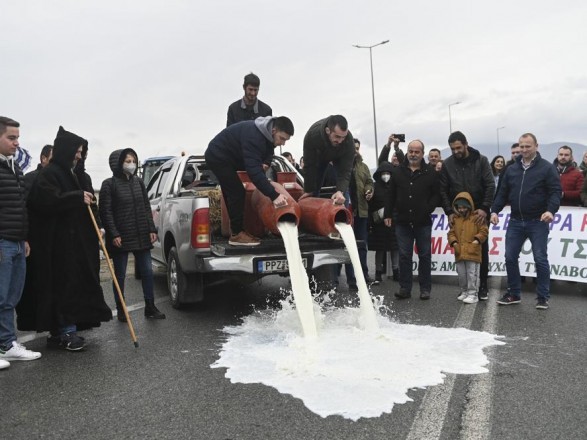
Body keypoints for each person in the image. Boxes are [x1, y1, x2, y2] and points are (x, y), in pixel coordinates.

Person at [17, 126, 112, 351]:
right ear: (67, 151)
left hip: (73, 243)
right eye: (77, 151)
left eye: (81, 152)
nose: (79, 156)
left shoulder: (72, 174)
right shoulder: (50, 174)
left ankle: (62, 330)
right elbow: (47, 201)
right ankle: (66, 332)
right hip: (57, 245)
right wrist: (76, 197)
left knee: (71, 285)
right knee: (63, 286)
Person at [490, 133, 561, 310]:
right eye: (521, 146)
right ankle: (514, 293)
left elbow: (555, 192)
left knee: (540, 258)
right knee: (510, 257)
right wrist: (494, 211)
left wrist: (550, 211)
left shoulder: (546, 168)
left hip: (538, 222)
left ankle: (543, 297)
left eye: (528, 146)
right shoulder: (511, 169)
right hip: (515, 222)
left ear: (536, 146)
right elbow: (502, 193)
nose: (524, 150)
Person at [205, 116, 293, 246]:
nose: (283, 143)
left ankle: (235, 229)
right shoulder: (254, 137)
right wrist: (274, 196)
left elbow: (269, 151)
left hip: (231, 157)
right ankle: (236, 234)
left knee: (232, 191)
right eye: (282, 138)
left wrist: (265, 162)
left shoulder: (267, 135)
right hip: (218, 156)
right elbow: (254, 173)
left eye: (286, 140)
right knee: (237, 192)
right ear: (274, 130)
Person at [99, 148, 165, 322]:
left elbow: (146, 206)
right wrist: (113, 234)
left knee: (147, 272)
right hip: (121, 237)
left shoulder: (138, 182)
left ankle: (150, 307)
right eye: (127, 161)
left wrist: (152, 229)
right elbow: (106, 212)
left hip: (141, 233)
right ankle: (121, 308)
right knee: (119, 275)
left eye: (133, 160)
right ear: (118, 163)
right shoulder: (109, 184)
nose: (131, 164)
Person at [0, 116, 41, 368]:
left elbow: (20, 206)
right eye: (11, 138)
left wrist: (24, 237)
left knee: (10, 298)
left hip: (16, 241)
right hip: (2, 241)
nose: (17, 143)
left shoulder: (15, 168)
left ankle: (7, 344)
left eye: (18, 138)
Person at [439, 131, 494, 300]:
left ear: (465, 144)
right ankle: (466, 288)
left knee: (479, 250)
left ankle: (482, 285)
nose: (456, 151)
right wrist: (449, 211)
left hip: (478, 213)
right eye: (452, 149)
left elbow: (490, 185)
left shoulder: (482, 160)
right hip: (459, 214)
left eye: (458, 147)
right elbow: (442, 190)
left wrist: (484, 208)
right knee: (461, 251)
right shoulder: (447, 164)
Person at [385, 139, 440, 300]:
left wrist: (427, 208)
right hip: (402, 222)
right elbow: (390, 194)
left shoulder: (430, 172)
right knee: (404, 256)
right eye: (411, 151)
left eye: (417, 151)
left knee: (424, 255)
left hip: (422, 222)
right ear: (407, 152)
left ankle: (425, 289)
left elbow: (437, 194)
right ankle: (405, 288)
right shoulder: (398, 171)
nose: (413, 154)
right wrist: (388, 214)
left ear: (423, 153)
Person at [300, 115, 355, 205]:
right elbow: (310, 165)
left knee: (343, 192)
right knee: (314, 188)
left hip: (339, 156)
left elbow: (345, 171)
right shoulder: (312, 136)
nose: (340, 140)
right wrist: (309, 189)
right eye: (337, 136)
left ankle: (342, 214)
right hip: (319, 157)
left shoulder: (348, 141)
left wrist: (340, 191)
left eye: (343, 137)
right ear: (327, 131)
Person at [448, 192, 489, 304]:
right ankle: (464, 291)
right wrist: (454, 243)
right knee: (461, 274)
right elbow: (451, 233)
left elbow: (484, 231)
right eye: (459, 207)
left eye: (463, 207)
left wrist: (476, 241)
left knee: (472, 274)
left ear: (469, 206)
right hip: (459, 252)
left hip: (473, 252)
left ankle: (473, 294)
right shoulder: (456, 219)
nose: (461, 210)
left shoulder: (476, 218)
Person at [344, 139, 374, 290]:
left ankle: (364, 275)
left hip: (362, 211)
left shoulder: (363, 166)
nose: (355, 150)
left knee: (362, 246)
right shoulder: (342, 166)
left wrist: (369, 190)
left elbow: (369, 181)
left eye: (357, 148)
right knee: (350, 247)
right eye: (352, 147)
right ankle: (352, 280)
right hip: (347, 212)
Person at [368, 161, 398, 283]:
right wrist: (371, 222)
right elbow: (370, 205)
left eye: (388, 173)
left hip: (394, 222)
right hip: (378, 223)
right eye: (383, 173)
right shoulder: (374, 187)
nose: (386, 175)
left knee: (395, 248)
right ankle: (378, 273)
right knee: (379, 248)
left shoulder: (396, 187)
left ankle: (396, 271)